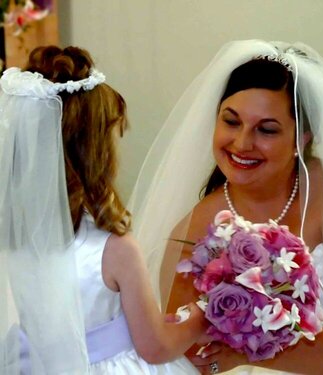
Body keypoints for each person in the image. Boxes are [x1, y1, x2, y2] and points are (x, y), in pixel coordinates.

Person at [128, 40, 323, 374]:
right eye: (231, 122)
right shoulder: (194, 232)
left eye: (267, 130)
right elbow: (186, 354)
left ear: (302, 138)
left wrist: (254, 354)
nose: (243, 143)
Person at [0, 45, 208, 375]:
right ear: (97, 153)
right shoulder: (114, 248)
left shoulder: (12, 235)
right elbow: (154, 347)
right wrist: (202, 317)